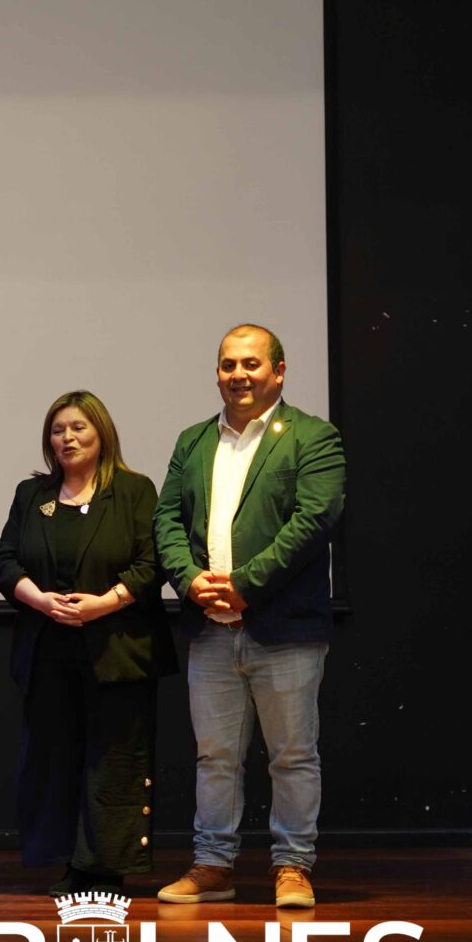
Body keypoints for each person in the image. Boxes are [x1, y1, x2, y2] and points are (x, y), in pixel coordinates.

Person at [154, 324, 345, 908]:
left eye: (251, 364)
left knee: (292, 756)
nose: (238, 374)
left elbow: (314, 521)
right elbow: (166, 521)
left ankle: (293, 867)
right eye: (228, 364)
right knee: (214, 757)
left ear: (278, 371)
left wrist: (243, 586)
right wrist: (191, 582)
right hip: (209, 629)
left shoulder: (313, 437)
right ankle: (214, 866)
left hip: (285, 631)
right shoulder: (192, 441)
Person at [0, 391, 174, 896]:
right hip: (48, 650)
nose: (67, 438)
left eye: (78, 428)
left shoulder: (134, 490)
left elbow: (152, 563)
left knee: (114, 760)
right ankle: (72, 864)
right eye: (58, 430)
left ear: (101, 433)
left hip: (118, 649)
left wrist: (104, 603)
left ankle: (106, 869)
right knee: (57, 761)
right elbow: (3, 560)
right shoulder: (33, 495)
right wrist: (39, 599)